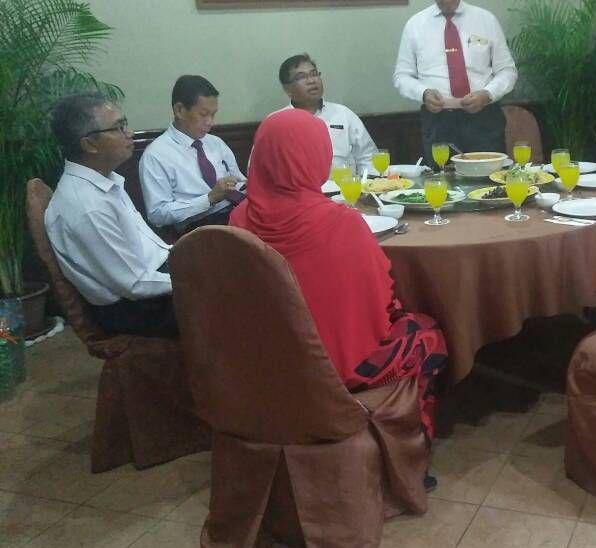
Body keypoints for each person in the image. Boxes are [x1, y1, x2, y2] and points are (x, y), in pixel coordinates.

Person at [230, 109, 449, 452]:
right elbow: (381, 301)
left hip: (262, 365)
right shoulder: (341, 223)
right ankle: (407, 447)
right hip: (332, 373)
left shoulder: (238, 219)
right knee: (427, 334)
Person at [44, 93, 177, 337]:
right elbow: (134, 284)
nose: (129, 133)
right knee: (234, 296)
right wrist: (192, 279)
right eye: (118, 127)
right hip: (136, 309)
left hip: (154, 280)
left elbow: (146, 251)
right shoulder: (86, 207)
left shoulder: (104, 180)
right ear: (89, 144)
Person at [393, 0, 518, 161]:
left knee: (489, 178)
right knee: (442, 180)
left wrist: (487, 94)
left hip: (483, 119)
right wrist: (423, 93)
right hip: (438, 122)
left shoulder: (486, 20)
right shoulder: (415, 26)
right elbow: (402, 76)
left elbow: (507, 71)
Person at [140, 75, 244, 233]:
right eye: (203, 114)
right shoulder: (156, 155)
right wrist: (209, 198)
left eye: (213, 114)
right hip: (198, 227)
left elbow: (240, 181)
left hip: (236, 210)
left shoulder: (215, 142)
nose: (210, 122)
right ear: (180, 110)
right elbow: (157, 214)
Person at [275, 53, 377, 175]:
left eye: (314, 74)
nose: (311, 81)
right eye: (301, 77)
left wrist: (366, 183)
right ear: (287, 89)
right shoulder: (276, 123)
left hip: (345, 186)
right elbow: (265, 169)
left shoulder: (343, 114)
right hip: (297, 187)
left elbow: (368, 158)